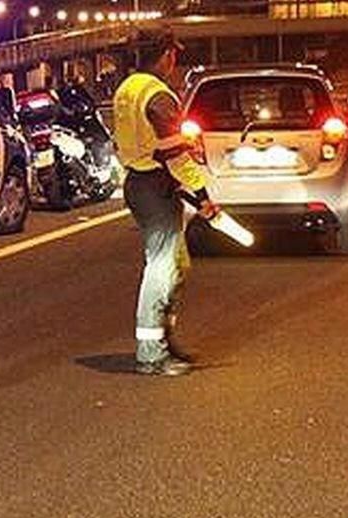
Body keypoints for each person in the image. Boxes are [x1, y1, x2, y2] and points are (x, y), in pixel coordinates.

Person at [112, 32, 218, 377]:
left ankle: (164, 338)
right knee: (162, 267)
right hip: (156, 186)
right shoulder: (157, 95)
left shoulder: (127, 88)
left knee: (178, 264)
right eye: (174, 55)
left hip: (139, 182)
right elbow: (175, 154)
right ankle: (151, 354)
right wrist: (202, 196)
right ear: (167, 55)